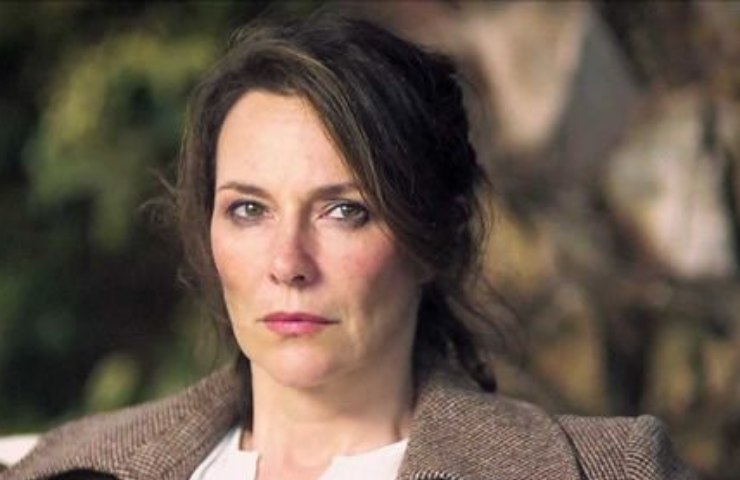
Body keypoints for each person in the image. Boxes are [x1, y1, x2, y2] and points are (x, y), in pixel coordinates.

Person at [2, 10, 694, 480]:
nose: (287, 264)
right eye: (248, 209)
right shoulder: (62, 465)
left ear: (434, 236)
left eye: (344, 211)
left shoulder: (613, 468)